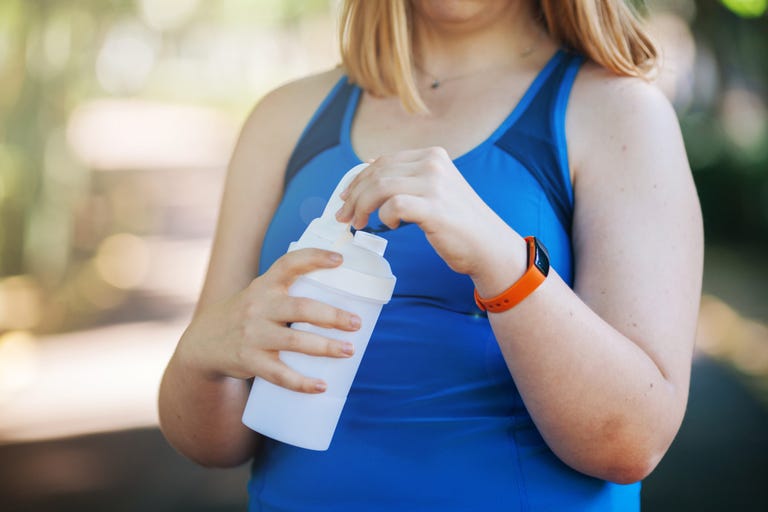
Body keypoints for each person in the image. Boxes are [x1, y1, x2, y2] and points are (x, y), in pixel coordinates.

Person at [158, 0, 703, 510]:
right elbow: (213, 442)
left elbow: (632, 444)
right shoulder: (283, 119)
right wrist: (199, 356)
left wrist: (501, 261)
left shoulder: (620, 112)